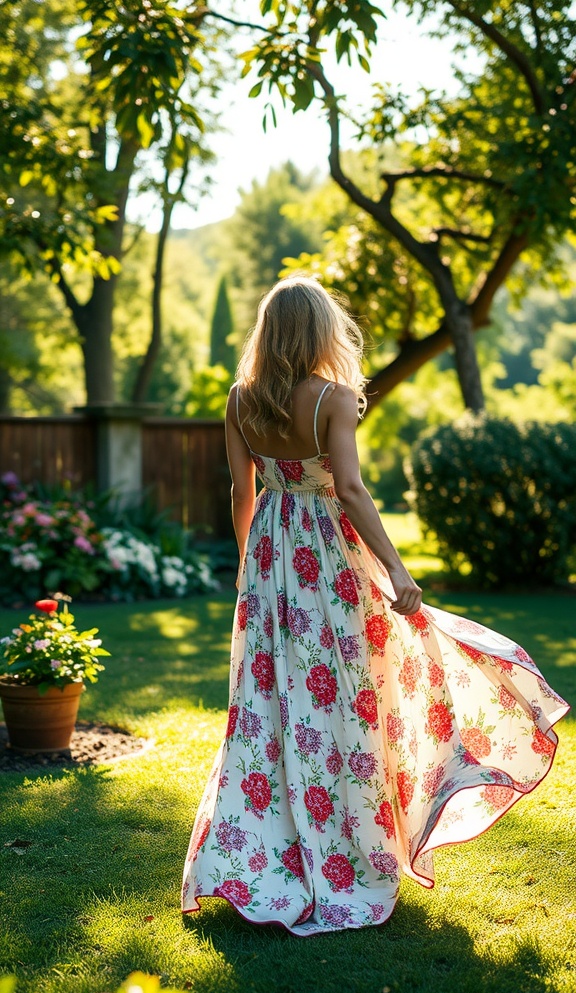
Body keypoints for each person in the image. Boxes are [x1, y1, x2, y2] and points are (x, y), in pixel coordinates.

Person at [182, 276, 569, 936]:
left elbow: (239, 495)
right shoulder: (332, 399)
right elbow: (352, 491)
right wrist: (396, 567)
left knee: (271, 705)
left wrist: (255, 569)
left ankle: (265, 859)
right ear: (319, 330)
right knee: (342, 698)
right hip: (329, 560)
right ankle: (345, 856)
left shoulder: (240, 399)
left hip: (273, 558)